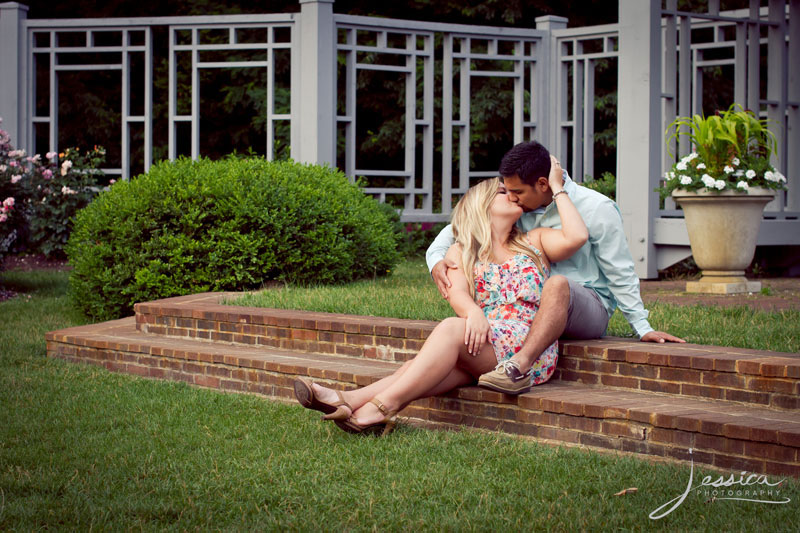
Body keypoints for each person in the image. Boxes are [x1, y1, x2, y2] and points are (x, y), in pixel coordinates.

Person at [294, 156, 588, 435]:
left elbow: (576, 236)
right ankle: (348, 400)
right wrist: (474, 313)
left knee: (448, 331)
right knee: (428, 365)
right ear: (482, 205)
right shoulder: (461, 251)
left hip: (527, 351)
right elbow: (456, 292)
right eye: (503, 192)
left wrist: (558, 188)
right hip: (486, 337)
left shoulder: (533, 241)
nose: (512, 194)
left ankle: (382, 406)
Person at [426, 141, 685, 395]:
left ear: (542, 184)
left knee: (558, 284)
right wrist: (437, 259)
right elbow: (468, 221)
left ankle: (518, 367)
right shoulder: (522, 207)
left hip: (588, 306)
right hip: (536, 311)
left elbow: (620, 270)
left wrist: (642, 326)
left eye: (517, 192)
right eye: (507, 191)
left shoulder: (597, 208)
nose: (511, 197)